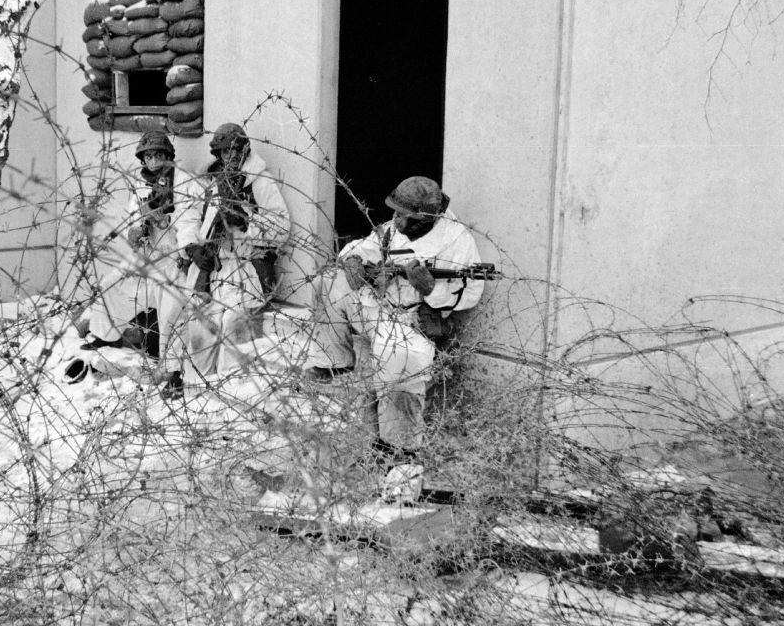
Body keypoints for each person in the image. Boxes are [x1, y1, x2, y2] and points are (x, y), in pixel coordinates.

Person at [303, 175, 485, 502]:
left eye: (405, 217)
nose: (397, 220)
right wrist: (354, 261)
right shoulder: (396, 228)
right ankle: (331, 365)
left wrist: (432, 287)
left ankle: (398, 456)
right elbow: (365, 245)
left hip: (414, 319)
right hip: (380, 308)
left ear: (426, 218)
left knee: (397, 360)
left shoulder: (456, 241)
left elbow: (471, 293)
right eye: (396, 213)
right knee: (329, 283)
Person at [78, 132, 203, 392]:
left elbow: (190, 222)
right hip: (148, 256)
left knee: (171, 313)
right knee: (112, 282)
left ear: (168, 156)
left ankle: (172, 372)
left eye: (159, 155)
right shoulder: (141, 184)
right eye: (148, 156)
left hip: (174, 259)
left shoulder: (185, 183)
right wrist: (137, 231)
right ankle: (106, 335)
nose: (154, 161)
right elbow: (133, 220)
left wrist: (168, 229)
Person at [173, 122, 291, 391]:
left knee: (233, 326)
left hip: (245, 269)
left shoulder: (257, 180)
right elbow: (188, 217)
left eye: (236, 150)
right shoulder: (209, 182)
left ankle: (231, 395)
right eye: (225, 152)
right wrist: (191, 247)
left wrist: (246, 223)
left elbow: (282, 226)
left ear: (245, 148)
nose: (232, 156)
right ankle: (196, 391)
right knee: (199, 328)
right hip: (212, 267)